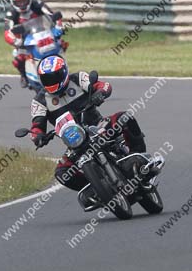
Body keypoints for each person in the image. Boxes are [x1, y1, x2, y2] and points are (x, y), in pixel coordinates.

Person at [29, 56, 152, 194]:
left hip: (98, 126)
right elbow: (36, 125)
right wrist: (38, 137)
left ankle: (140, 158)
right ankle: (97, 189)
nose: (51, 81)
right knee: (62, 172)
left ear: (64, 72)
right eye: (47, 79)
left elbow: (103, 85)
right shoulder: (39, 101)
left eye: (55, 76)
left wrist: (100, 93)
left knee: (124, 117)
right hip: (75, 141)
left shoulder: (78, 78)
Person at [3, 0, 65, 87]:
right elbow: (7, 32)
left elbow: (51, 15)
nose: (22, 4)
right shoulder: (11, 14)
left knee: (61, 45)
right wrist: (14, 40)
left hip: (44, 35)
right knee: (19, 59)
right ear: (13, 2)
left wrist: (58, 25)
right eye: (19, 2)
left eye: (24, 1)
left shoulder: (38, 5)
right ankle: (24, 76)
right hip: (24, 42)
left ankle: (62, 67)